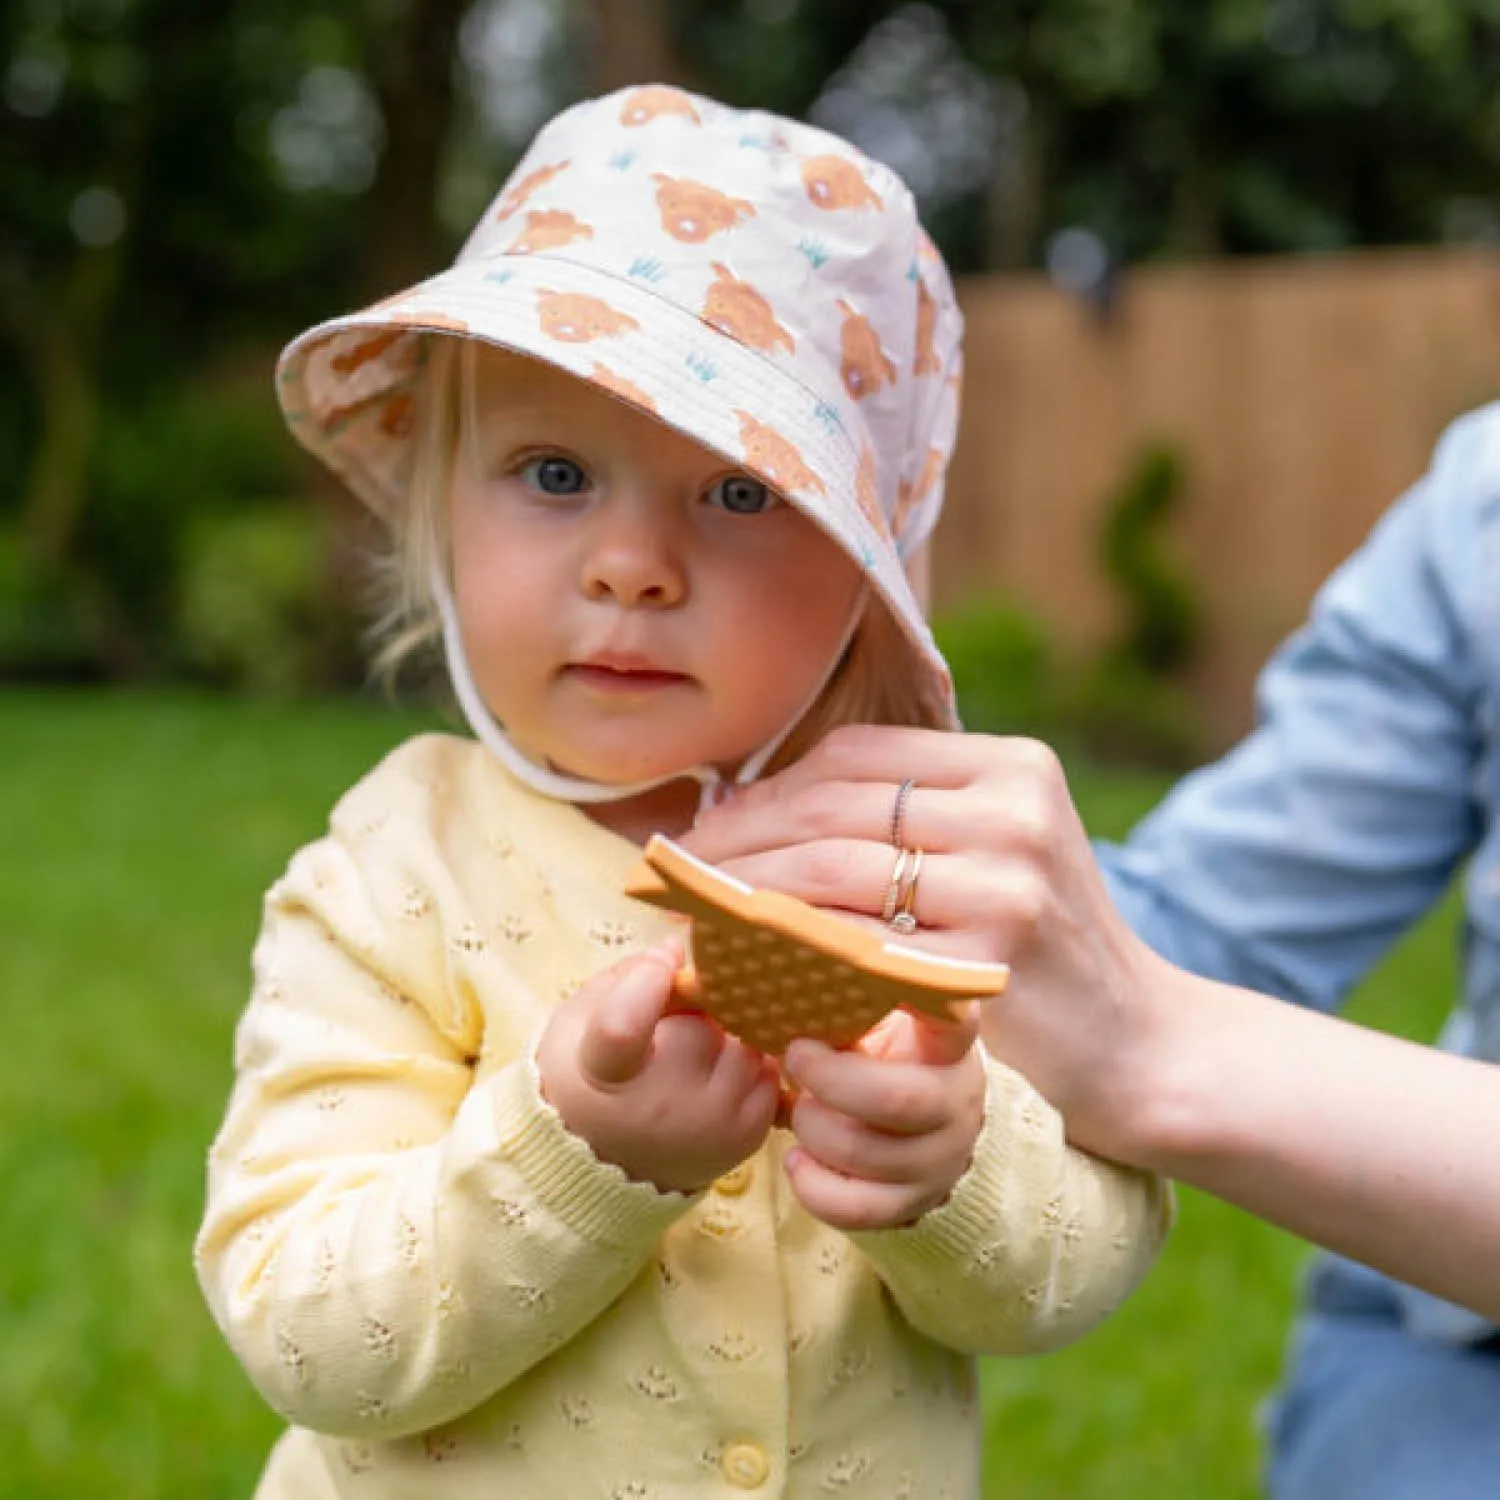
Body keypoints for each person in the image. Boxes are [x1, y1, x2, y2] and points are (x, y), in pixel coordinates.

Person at [193, 86, 1169, 1499]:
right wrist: (576, 1154)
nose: (632, 565)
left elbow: (1081, 1266)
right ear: (441, 507)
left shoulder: (925, 856)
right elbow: (302, 1326)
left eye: (740, 495)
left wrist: (950, 1167)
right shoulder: (401, 871)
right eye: (553, 472)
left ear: (865, 563)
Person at [681, 404, 1500, 1499]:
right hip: (1449, 1347)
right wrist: (903, 897)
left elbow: (1120, 1052)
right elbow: (1207, 918)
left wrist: (1149, 1051)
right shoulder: (1483, 507)